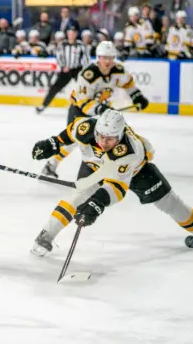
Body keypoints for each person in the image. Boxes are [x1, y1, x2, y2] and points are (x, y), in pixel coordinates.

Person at [30, 109, 193, 256]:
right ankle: (46, 235)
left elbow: (117, 187)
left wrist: (97, 203)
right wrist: (52, 143)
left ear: (120, 135)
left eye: (110, 139)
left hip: (137, 171)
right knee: (77, 197)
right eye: (100, 136)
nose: (103, 141)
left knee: (170, 204)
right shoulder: (86, 127)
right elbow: (68, 133)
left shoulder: (130, 152)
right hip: (94, 166)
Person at [41, 41, 149, 179]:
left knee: (105, 141)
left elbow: (128, 83)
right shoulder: (88, 75)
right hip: (79, 109)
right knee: (75, 140)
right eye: (104, 57)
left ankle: (99, 171)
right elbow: (83, 102)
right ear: (98, 58)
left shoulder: (119, 71)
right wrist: (101, 109)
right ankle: (52, 164)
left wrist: (137, 96)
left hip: (101, 112)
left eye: (110, 57)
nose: (108, 61)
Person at [37, 26, 89, 114]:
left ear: (76, 34)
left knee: (84, 88)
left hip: (77, 70)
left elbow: (86, 59)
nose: (71, 35)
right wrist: (63, 66)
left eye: (73, 33)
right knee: (54, 88)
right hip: (66, 70)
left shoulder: (81, 45)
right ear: (67, 34)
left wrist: (82, 69)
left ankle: (87, 108)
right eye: (69, 33)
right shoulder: (62, 44)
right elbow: (59, 56)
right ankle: (43, 106)